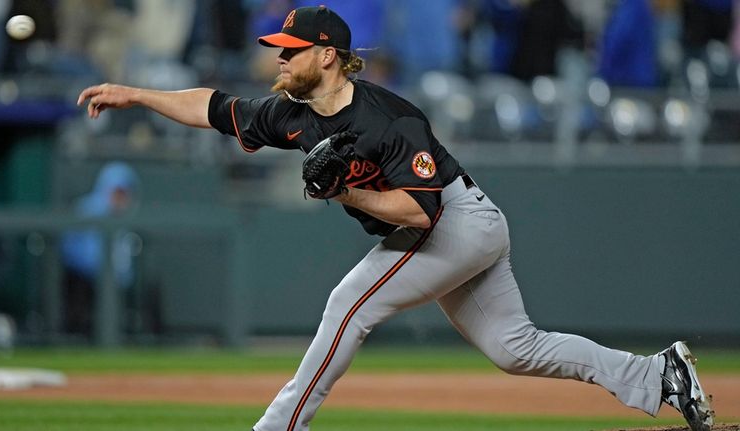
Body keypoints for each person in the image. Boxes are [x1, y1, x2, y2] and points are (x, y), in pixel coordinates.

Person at [76, 6, 715, 431]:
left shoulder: (387, 119)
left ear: (326, 55)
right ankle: (661, 375)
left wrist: (343, 195)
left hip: (456, 220)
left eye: (289, 50)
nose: (278, 58)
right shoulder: (292, 112)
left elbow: (420, 211)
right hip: (454, 227)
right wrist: (135, 94)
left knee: (349, 303)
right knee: (516, 349)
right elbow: (211, 107)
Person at [60, 161, 140, 335]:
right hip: (83, 283)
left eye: (124, 193)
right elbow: (73, 251)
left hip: (115, 286)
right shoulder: (86, 210)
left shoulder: (126, 221)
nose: (121, 199)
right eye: (117, 193)